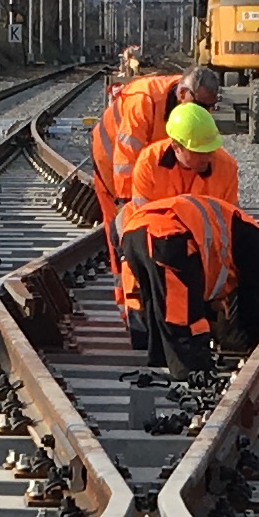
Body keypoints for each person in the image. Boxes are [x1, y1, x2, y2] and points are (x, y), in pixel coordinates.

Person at [128, 101, 259, 368]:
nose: (208, 157)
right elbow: (141, 218)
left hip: (190, 246)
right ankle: (177, 353)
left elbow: (223, 232)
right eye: (200, 153)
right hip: (161, 238)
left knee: (184, 305)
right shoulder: (149, 163)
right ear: (176, 146)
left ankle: (178, 353)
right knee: (158, 318)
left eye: (211, 150)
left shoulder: (225, 166)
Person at [87, 58, 183, 352]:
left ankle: (155, 312)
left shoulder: (184, 101)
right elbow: (125, 157)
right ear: (183, 95)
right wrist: (126, 206)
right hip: (112, 172)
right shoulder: (143, 100)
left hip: (148, 170)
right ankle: (131, 313)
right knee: (127, 244)